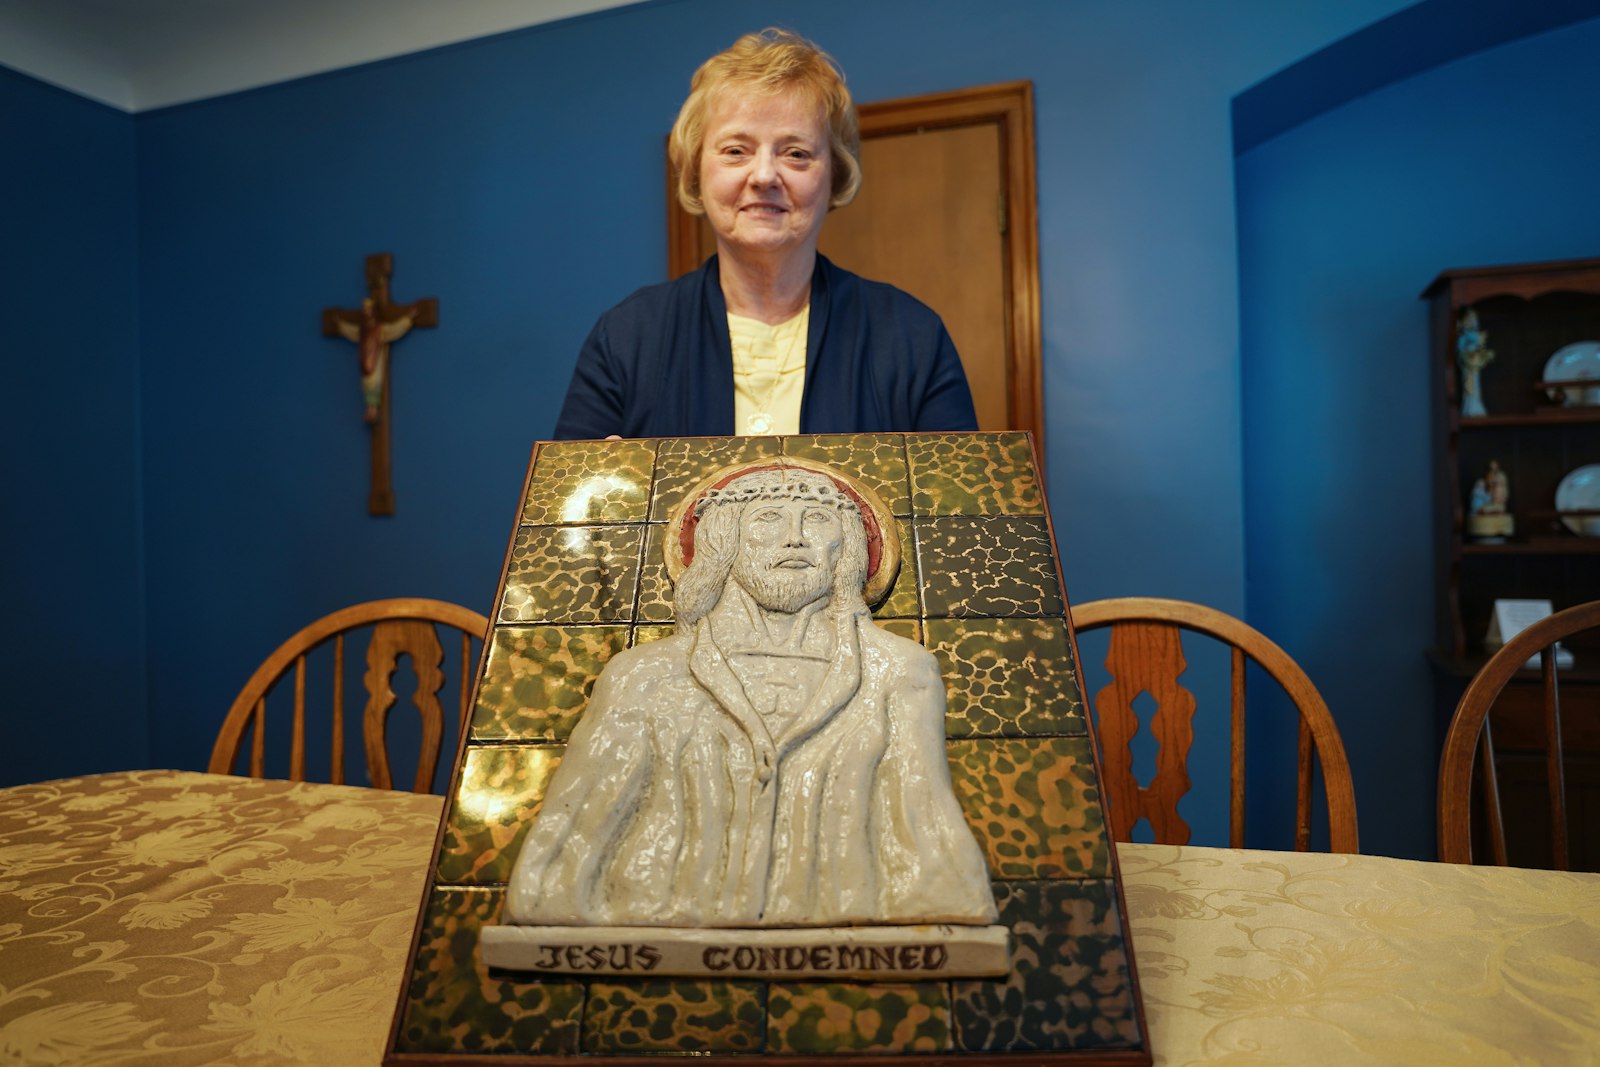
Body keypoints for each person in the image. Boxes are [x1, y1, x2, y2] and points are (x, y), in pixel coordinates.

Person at [503, 464, 997, 928]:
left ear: (845, 547)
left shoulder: (899, 671)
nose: (795, 537)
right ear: (724, 542)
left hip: (844, 912)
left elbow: (922, 817)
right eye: (766, 518)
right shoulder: (646, 675)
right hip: (661, 912)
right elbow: (581, 827)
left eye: (819, 519)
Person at [553, 29, 978, 440]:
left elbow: (964, 509)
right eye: (736, 150)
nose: (763, 175)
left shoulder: (912, 336)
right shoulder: (627, 337)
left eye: (795, 153)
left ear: (835, 175)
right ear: (697, 171)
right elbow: (567, 508)